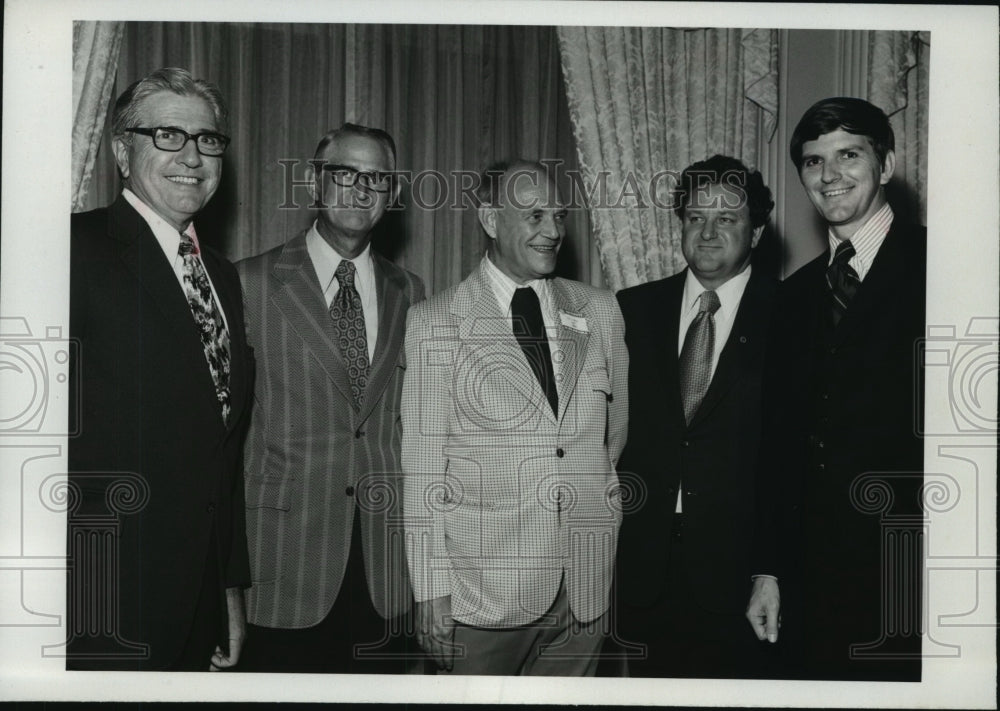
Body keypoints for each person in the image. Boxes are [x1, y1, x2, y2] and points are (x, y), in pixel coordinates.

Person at [401, 160, 628, 676]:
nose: (553, 230)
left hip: (584, 587)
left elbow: (613, 438)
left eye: (559, 215)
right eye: (534, 215)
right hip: (482, 593)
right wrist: (432, 590)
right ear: (490, 219)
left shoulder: (599, 311)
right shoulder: (436, 321)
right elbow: (421, 469)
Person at [68, 67, 253, 671]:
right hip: (97, 596)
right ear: (123, 152)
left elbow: (219, 454)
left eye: (207, 139)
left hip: (195, 599)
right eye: (168, 136)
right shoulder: (70, 250)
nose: (192, 156)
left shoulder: (222, 275)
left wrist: (227, 590)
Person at [746, 97, 925, 680]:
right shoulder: (792, 297)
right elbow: (778, 444)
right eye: (812, 161)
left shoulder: (945, 266)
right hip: (812, 581)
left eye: (849, 154)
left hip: (916, 572)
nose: (829, 175)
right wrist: (767, 571)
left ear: (887, 164)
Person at [236, 123, 425, 673]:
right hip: (282, 560)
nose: (359, 190)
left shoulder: (411, 291)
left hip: (386, 569)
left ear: (391, 196)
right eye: (344, 174)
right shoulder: (251, 282)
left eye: (376, 179)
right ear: (316, 183)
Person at [615, 155, 777, 678]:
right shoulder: (629, 311)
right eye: (694, 217)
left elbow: (794, 459)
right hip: (639, 571)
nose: (707, 232)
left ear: (755, 232)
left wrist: (771, 569)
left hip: (741, 579)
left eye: (727, 218)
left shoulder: (792, 316)